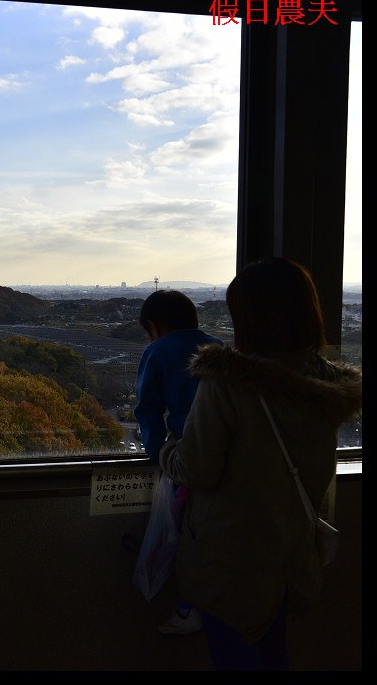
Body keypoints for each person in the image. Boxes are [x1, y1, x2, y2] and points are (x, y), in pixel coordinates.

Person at [159, 257, 361, 670]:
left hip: (233, 561)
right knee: (272, 651)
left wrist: (167, 447)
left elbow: (197, 468)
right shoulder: (327, 384)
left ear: (249, 317)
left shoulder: (229, 382)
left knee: (236, 653)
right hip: (292, 556)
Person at [132, 289, 223, 636]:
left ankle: (190, 607)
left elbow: (148, 408)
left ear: (154, 326)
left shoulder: (158, 351)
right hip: (226, 452)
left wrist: (157, 453)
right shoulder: (219, 346)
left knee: (184, 534)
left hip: (187, 454)